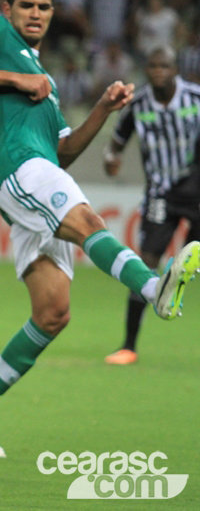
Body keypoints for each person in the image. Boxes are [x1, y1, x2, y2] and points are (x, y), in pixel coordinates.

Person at [0, 0, 200, 458]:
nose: (36, 13)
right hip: (17, 167)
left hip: (40, 169)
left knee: (52, 313)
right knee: (89, 222)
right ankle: (154, 289)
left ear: (54, 13)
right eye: (27, 5)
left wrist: (102, 109)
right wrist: (14, 80)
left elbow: (64, 152)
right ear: (8, 8)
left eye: (45, 6)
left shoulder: (44, 81)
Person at [103, 46, 200, 365]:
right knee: (146, 263)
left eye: (165, 65)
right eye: (153, 65)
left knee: (190, 261)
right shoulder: (137, 105)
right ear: (146, 70)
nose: (158, 70)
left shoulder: (195, 98)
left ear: (176, 70)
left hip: (196, 190)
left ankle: (181, 272)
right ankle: (128, 346)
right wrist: (110, 161)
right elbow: (116, 143)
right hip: (160, 193)